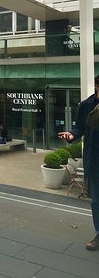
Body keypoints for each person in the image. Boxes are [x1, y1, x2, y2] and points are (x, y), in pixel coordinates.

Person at [58, 74, 99, 251]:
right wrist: (72, 135)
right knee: (97, 201)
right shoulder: (87, 105)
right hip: (95, 160)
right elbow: (79, 127)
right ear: (97, 87)